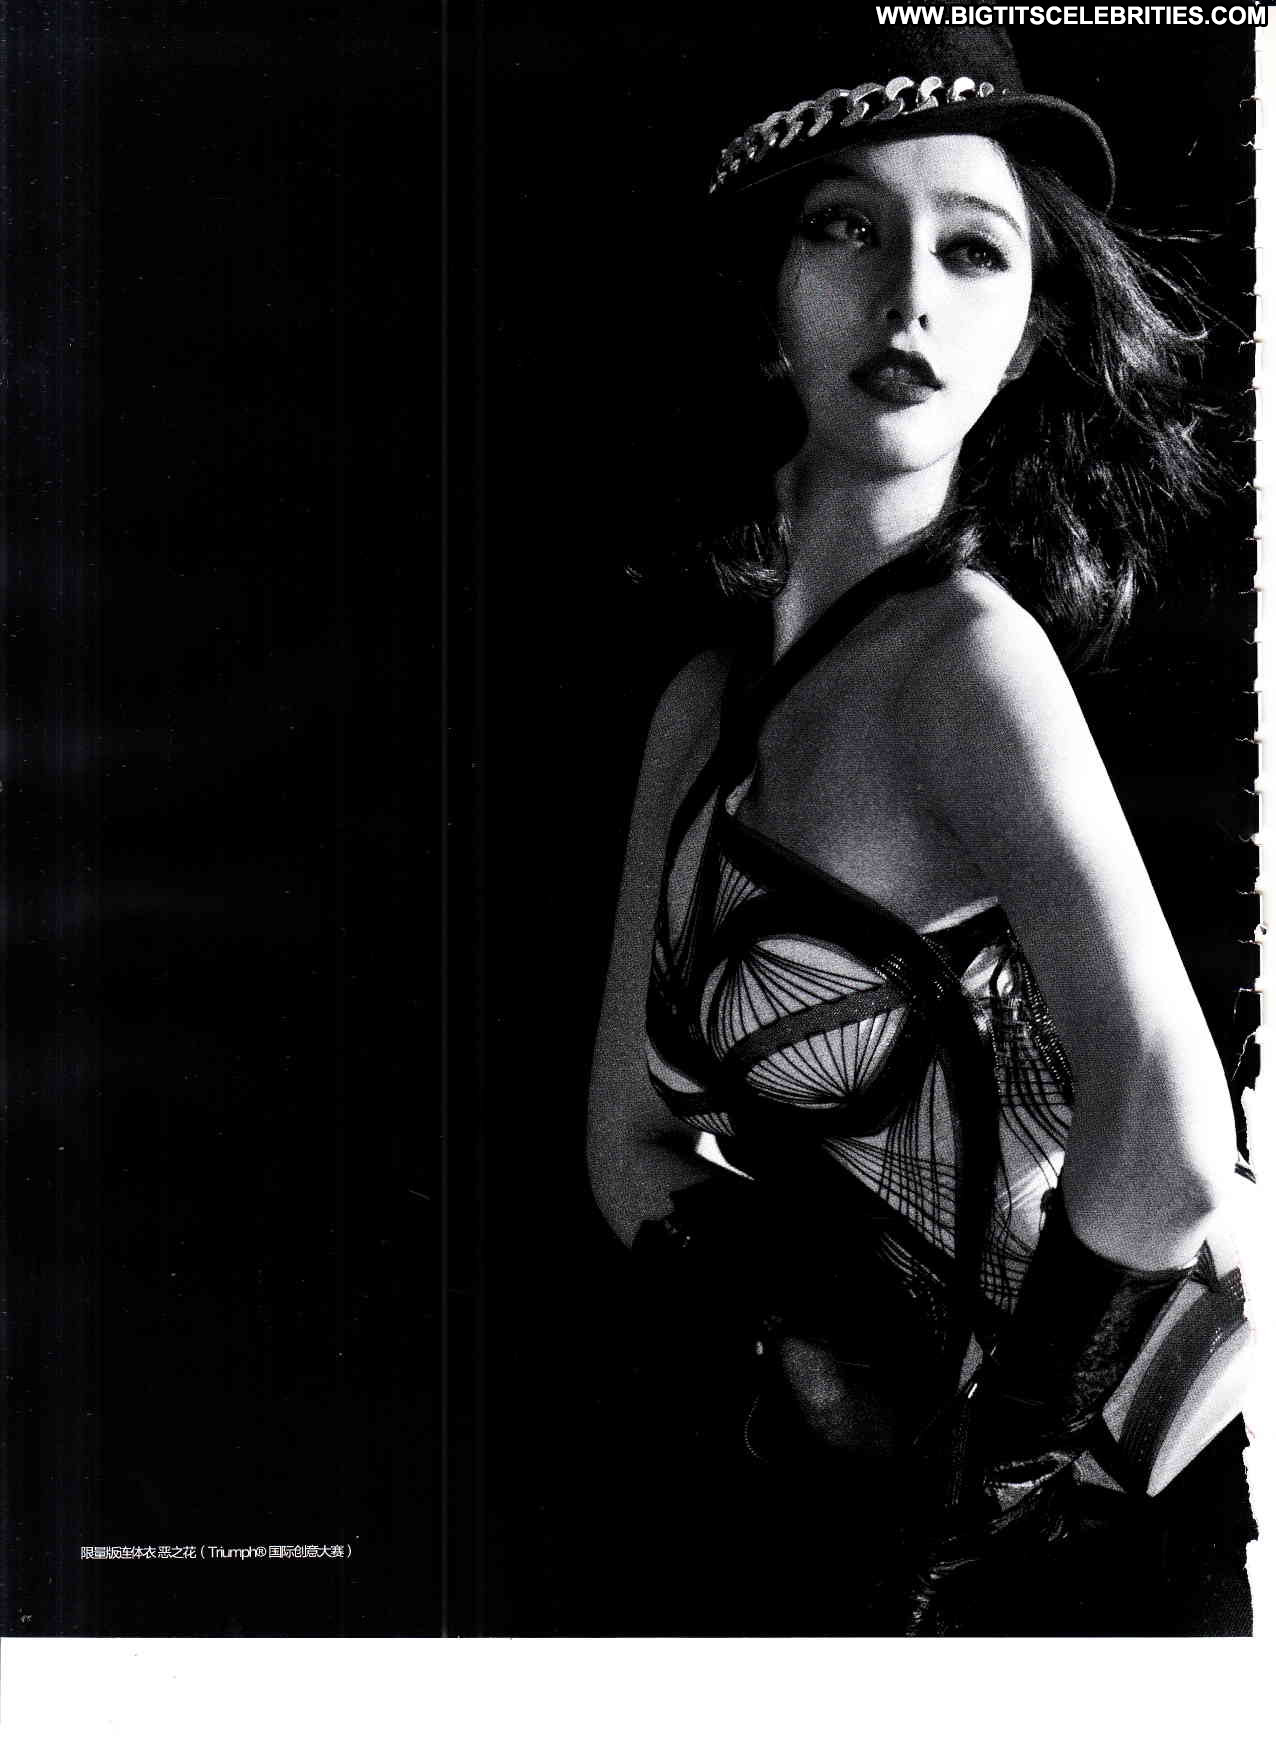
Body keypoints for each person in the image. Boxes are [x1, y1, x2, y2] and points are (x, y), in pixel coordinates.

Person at [585, 22, 1253, 1635]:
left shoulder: (971, 661)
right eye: (846, 227)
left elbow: (1174, 1147)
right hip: (837, 1516)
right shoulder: (702, 702)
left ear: (1027, 336)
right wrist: (787, 1333)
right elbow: (622, 1144)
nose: (910, 298)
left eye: (973, 248)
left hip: (1100, 1528)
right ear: (761, 300)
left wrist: (977, 1505)